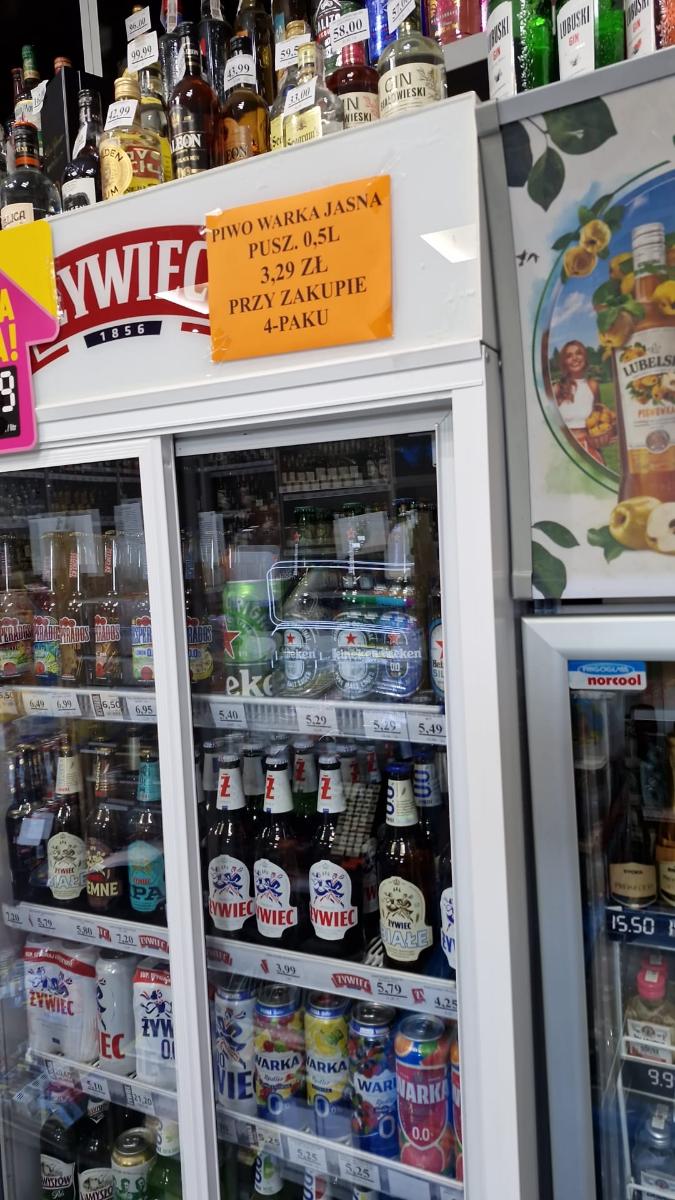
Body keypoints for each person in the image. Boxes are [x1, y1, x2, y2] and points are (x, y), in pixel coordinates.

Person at [553, 340, 604, 462]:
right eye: (569, 356)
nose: (575, 358)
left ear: (585, 357)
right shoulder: (557, 389)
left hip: (590, 450)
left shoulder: (593, 386)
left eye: (578, 353)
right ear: (565, 362)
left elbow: (598, 418)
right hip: (565, 451)